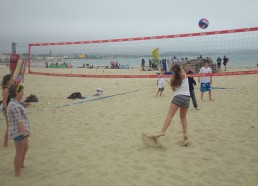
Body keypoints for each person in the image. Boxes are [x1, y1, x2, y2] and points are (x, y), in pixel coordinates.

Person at [154, 64, 190, 146]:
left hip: (178, 97)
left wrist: (171, 86)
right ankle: (185, 134)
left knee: (169, 115)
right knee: (183, 117)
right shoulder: (184, 74)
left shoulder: (172, 79)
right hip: (187, 98)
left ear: (173, 71)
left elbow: (174, 91)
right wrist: (177, 66)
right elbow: (181, 68)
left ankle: (163, 131)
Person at [7, 84, 30, 177]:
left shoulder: (15, 103)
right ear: (16, 93)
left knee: (25, 147)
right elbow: (19, 121)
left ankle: (21, 165)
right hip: (18, 132)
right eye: (21, 92)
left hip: (21, 131)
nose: (23, 93)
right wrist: (25, 133)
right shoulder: (14, 106)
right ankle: (17, 173)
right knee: (19, 152)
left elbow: (18, 104)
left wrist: (24, 104)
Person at [1, 74, 15, 147]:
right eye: (12, 80)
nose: (13, 81)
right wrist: (8, 111)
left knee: (10, 126)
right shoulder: (6, 90)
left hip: (9, 109)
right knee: (9, 127)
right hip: (6, 110)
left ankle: (6, 143)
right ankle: (5, 144)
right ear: (7, 81)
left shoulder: (9, 88)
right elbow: (4, 102)